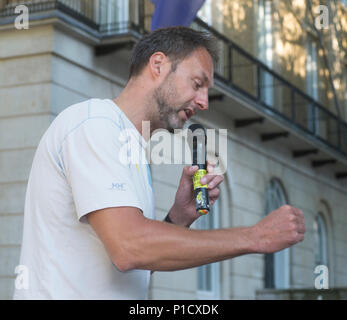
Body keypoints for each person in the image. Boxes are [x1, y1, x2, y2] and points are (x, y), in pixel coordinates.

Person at [13, 27, 305, 300]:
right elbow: (129, 248)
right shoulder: (94, 124)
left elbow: (134, 262)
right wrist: (256, 236)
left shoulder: (130, 147)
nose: (204, 102)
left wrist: (178, 217)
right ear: (158, 65)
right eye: (197, 83)